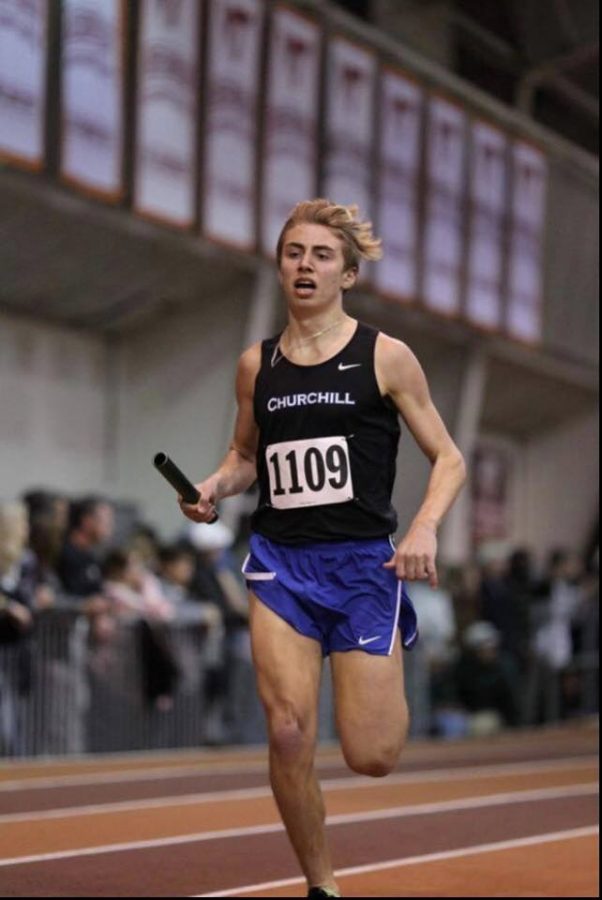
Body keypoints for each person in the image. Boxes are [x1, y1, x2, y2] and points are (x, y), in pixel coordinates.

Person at [178, 199, 466, 898]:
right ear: (280, 266)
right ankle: (322, 886)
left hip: (364, 567)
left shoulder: (385, 356)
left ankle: (391, 638)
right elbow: (245, 456)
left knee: (373, 755)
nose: (305, 266)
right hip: (281, 563)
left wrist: (424, 527)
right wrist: (215, 485)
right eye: (294, 253)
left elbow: (450, 458)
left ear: (348, 274)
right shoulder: (258, 364)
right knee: (286, 732)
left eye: (321, 256)